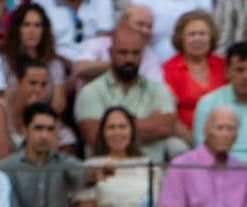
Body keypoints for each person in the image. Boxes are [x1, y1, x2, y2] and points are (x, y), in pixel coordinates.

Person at [0, 101, 109, 207]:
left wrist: (97, 173)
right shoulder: (6, 168)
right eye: (38, 128)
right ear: (24, 130)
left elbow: (83, 173)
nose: (44, 135)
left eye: (50, 129)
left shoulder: (62, 162)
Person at [74, 25, 177, 159]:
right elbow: (93, 135)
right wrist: (147, 123)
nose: (130, 59)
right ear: (110, 53)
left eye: (135, 53)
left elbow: (165, 128)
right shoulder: (91, 91)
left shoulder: (159, 89)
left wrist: (111, 129)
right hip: (105, 174)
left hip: (149, 175)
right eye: (123, 52)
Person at [159, 106, 247, 207]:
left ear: (237, 135)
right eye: (219, 128)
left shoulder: (243, 172)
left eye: (231, 129)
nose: (225, 134)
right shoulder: (181, 166)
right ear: (205, 130)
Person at [80, 104, 160, 207]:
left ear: (131, 131)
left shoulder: (148, 165)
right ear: (103, 133)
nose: (117, 132)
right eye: (111, 127)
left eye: (122, 127)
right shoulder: (91, 166)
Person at [162, 11, 225, 148]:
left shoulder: (224, 66)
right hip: (186, 138)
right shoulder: (169, 69)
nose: (198, 39)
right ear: (181, 39)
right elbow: (170, 116)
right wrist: (197, 143)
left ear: (211, 37)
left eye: (202, 34)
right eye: (192, 34)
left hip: (225, 134)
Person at [0, 57, 58, 161]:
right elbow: (3, 158)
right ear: (18, 83)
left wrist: (36, 112)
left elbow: (52, 155)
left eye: (43, 84)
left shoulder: (45, 113)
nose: (38, 90)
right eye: (33, 83)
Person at [0, 5, 68, 114]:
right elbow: (3, 101)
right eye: (26, 25)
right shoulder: (4, 62)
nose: (32, 30)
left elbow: (59, 104)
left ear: (43, 30)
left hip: (46, 119)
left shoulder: (54, 64)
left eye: (37, 25)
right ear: (17, 29)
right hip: (12, 117)